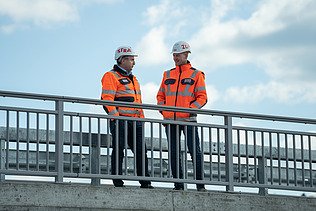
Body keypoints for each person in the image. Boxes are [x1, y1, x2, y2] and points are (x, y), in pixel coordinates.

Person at [156, 41, 207, 191]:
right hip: (170, 120)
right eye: (174, 55)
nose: (175, 58)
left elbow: (202, 97)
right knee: (173, 152)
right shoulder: (167, 74)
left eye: (178, 55)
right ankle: (178, 185)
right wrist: (165, 111)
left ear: (186, 55)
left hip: (188, 120)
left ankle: (200, 185)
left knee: (194, 151)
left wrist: (190, 110)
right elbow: (160, 96)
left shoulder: (197, 74)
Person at [101, 46, 153, 189]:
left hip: (136, 121)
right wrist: (116, 117)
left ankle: (145, 181)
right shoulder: (111, 76)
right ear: (122, 60)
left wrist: (141, 119)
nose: (133, 63)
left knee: (141, 151)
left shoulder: (134, 79)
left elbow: (138, 102)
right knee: (119, 148)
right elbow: (106, 99)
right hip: (121, 120)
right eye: (131, 59)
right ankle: (117, 180)